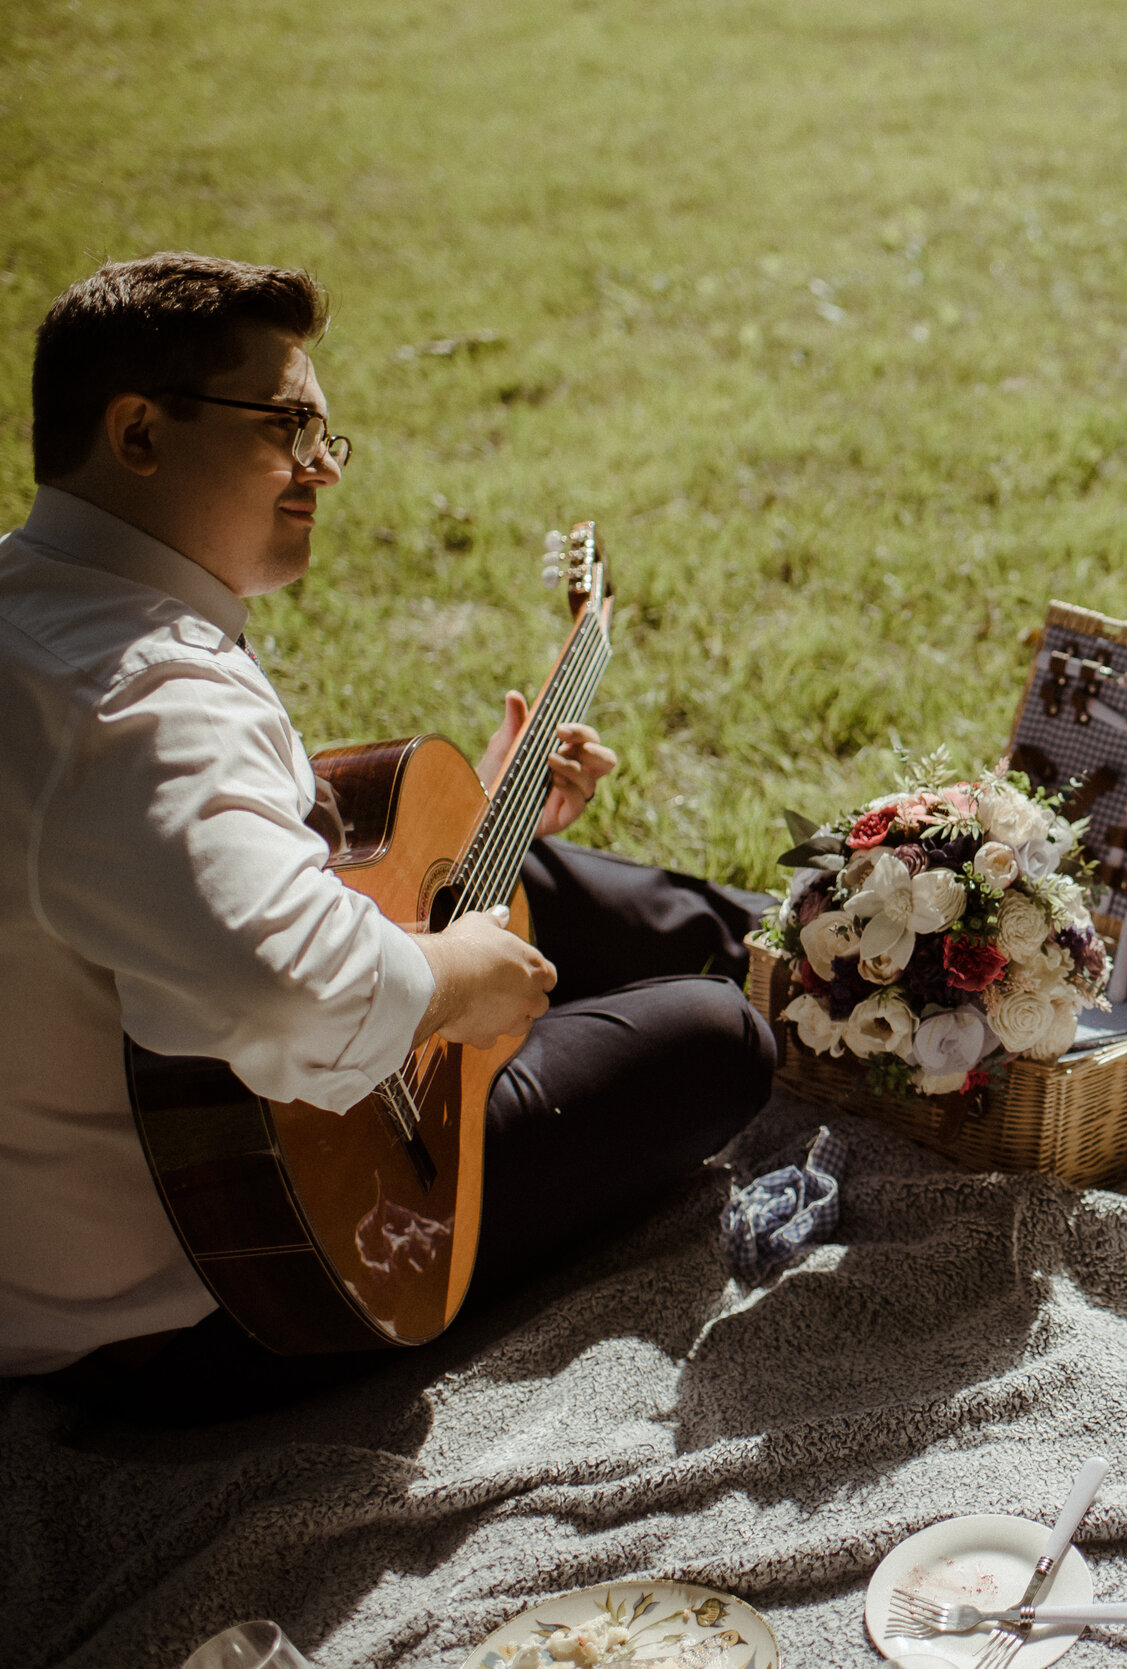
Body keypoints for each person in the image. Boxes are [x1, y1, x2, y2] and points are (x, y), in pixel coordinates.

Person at [0, 253, 779, 1421]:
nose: (321, 466)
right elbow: (279, 990)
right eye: (285, 425)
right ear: (140, 433)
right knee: (717, 1036)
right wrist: (453, 976)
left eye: (324, 431)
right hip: (226, 1288)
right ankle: (814, 971)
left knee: (515, 868)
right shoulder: (142, 697)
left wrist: (481, 822)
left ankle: (810, 937)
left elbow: (173, 873)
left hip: (83, 1233)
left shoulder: (44, 613)